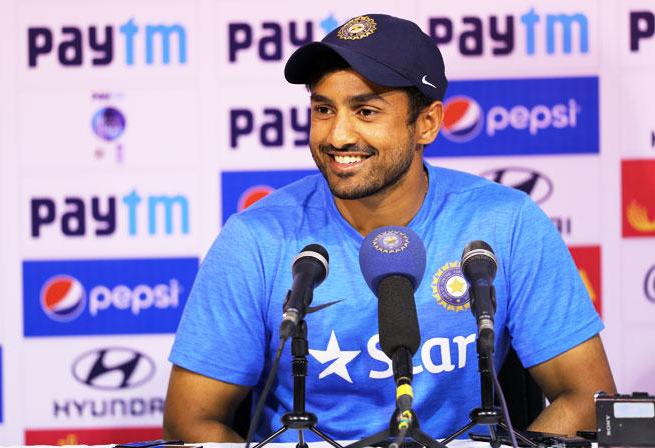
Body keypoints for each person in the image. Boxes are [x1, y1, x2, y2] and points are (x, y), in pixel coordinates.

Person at [163, 14, 616, 442]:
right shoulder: (255, 238)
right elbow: (191, 419)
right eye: (323, 109)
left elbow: (588, 398)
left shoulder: (506, 222)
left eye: (365, 112)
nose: (337, 136)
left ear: (427, 123)